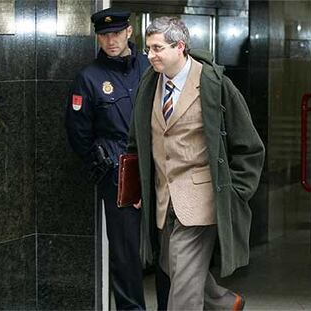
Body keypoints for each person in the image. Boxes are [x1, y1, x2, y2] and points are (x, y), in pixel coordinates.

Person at [128, 16, 265, 310]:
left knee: (184, 294)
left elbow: (250, 146)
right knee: (170, 263)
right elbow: (136, 140)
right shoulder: (149, 85)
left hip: (202, 201)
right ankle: (224, 303)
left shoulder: (215, 84)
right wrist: (136, 186)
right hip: (163, 200)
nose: (150, 55)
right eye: (148, 48)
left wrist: (235, 192)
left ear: (179, 47)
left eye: (157, 48)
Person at [65, 7, 149, 310]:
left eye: (116, 33)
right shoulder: (89, 77)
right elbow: (78, 131)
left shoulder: (149, 66)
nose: (111, 40)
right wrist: (100, 162)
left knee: (170, 247)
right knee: (125, 253)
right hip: (118, 172)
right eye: (104, 35)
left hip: (156, 167)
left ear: (129, 32)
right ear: (97, 38)